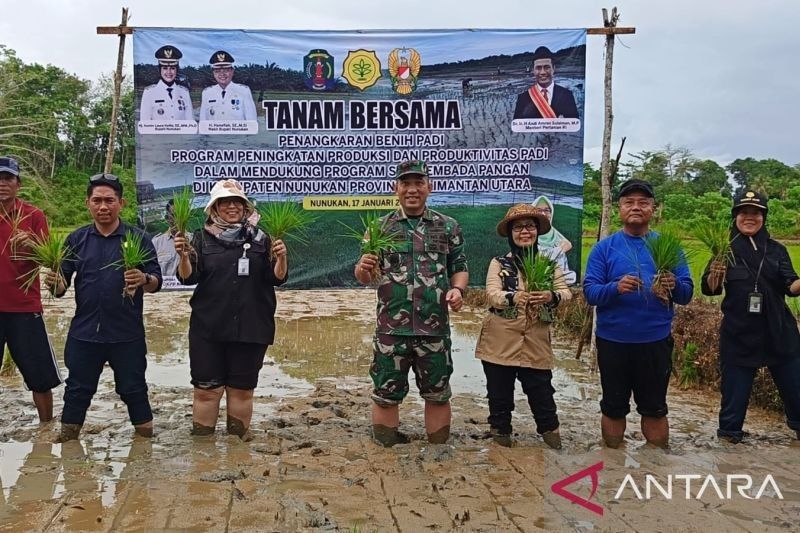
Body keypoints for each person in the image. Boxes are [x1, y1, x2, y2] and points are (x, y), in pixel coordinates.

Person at [354, 160, 468, 447]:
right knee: (385, 393)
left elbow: (460, 266)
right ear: (396, 189)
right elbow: (364, 276)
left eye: (419, 183)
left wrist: (457, 290)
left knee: (438, 394)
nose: (413, 189)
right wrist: (364, 267)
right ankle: (385, 450)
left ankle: (438, 450)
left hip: (434, 328)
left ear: (430, 187)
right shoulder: (379, 227)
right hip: (391, 329)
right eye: (406, 183)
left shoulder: (448, 226)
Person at [45, 174, 162, 442]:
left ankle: (145, 443)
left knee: (134, 389)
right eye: (97, 200)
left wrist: (144, 279)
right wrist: (55, 282)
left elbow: (157, 281)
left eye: (109, 200)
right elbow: (59, 288)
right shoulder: (77, 239)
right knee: (77, 389)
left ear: (121, 203)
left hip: (126, 333)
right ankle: (68, 441)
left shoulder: (138, 238)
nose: (103, 206)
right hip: (84, 333)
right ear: (88, 203)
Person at [583, 179, 693, 448]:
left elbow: (687, 293)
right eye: (629, 202)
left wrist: (673, 285)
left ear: (652, 209)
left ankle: (655, 464)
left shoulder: (667, 246)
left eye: (643, 203)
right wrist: (615, 288)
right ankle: (612, 463)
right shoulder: (604, 248)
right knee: (613, 407)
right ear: (619, 208)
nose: (636, 207)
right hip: (613, 341)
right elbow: (590, 292)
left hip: (654, 341)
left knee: (655, 408)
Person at [174, 179, 287, 439]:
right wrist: (182, 256)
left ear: (245, 207)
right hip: (208, 328)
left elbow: (277, 278)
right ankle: (204, 449)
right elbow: (188, 277)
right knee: (206, 390)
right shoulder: (199, 239)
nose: (232, 206)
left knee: (241, 390)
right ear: (214, 208)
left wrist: (281, 257)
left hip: (252, 326)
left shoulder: (262, 239)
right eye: (224, 202)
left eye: (237, 202)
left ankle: (237, 448)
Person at [701, 190, 800, 443]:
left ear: (763, 217)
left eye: (756, 212)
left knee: (797, 394)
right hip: (739, 335)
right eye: (744, 212)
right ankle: (729, 451)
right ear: (735, 216)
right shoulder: (724, 249)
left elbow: (791, 286)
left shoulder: (776, 250)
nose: (749, 217)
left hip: (779, 333)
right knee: (732, 410)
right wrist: (716, 272)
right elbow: (710, 289)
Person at [475, 204, 571, 449]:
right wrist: (513, 297)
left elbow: (565, 293)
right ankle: (500, 451)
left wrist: (551, 296)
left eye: (530, 226)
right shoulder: (498, 263)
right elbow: (492, 294)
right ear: (510, 234)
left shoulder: (548, 264)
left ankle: (554, 446)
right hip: (499, 343)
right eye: (518, 227)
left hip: (535, 343)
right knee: (499, 401)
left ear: (537, 231)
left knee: (543, 400)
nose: (524, 232)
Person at [0, 156, 62, 422]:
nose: (2, 184)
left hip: (24, 307)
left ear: (18, 184)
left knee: (40, 376)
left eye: (8, 179)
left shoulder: (33, 216)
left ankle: (45, 428)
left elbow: (51, 261)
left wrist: (32, 246)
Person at [513, 46, 579, 120]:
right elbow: (517, 128)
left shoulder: (567, 95)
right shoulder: (523, 98)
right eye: (538, 68)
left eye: (547, 67)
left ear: (553, 69)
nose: (543, 72)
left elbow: (574, 126)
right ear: (533, 70)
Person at [139, 45, 194, 121]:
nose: (169, 72)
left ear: (176, 70)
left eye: (172, 68)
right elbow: (145, 124)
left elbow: (190, 122)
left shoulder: (184, 92)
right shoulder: (149, 92)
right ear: (160, 70)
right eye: (165, 68)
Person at [199, 51, 258, 121]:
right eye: (217, 71)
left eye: (226, 70)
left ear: (232, 71)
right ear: (213, 73)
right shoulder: (207, 93)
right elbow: (203, 122)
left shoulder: (244, 91)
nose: (222, 74)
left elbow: (252, 121)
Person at [532, 195, 576, 285]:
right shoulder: (527, 237)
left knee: (571, 276)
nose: (543, 214)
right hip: (533, 280)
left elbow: (566, 273)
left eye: (547, 210)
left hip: (558, 282)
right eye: (539, 210)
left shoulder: (557, 236)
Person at [151, 199, 192, 282]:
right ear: (167, 218)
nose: (179, 220)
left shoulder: (196, 240)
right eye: (174, 215)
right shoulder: (156, 243)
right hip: (164, 293)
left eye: (181, 216)